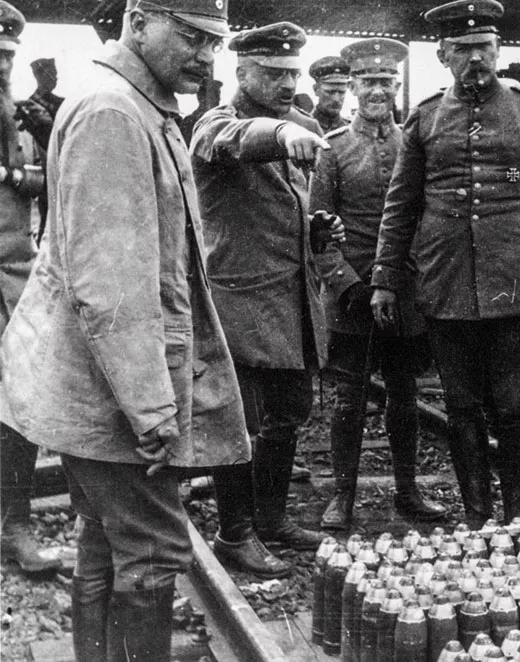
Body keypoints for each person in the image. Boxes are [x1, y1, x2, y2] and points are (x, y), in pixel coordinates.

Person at [0, 1, 251, 659]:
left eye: (215, 42)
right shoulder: (115, 112)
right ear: (139, 23)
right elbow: (109, 287)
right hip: (117, 391)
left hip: (106, 383)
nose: (207, 54)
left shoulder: (140, 104)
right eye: (191, 36)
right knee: (153, 552)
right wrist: (152, 412)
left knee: (105, 539)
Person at [371, 0, 520, 527]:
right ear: (443, 55)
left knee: (516, 407)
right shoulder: (427, 116)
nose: (476, 58)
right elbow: (402, 203)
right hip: (447, 279)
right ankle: (479, 517)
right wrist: (386, 279)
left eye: (484, 47)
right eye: (463, 50)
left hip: (514, 279)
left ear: (498, 50)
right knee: (461, 406)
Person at [191, 21, 332, 577]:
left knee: (288, 416)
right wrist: (277, 135)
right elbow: (230, 143)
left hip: (293, 297)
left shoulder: (300, 124)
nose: (286, 81)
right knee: (241, 424)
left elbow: (284, 207)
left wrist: (317, 228)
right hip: (242, 302)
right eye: (273, 73)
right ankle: (236, 533)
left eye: (292, 73)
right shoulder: (215, 123)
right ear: (241, 72)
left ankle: (271, 520)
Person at [309, 37, 445, 530]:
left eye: (386, 82)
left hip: (405, 290)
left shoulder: (417, 144)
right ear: (353, 88)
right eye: (368, 82)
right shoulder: (334, 150)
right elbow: (318, 232)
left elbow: (426, 217)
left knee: (404, 392)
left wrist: (414, 277)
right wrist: (347, 285)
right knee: (348, 397)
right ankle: (342, 495)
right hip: (352, 292)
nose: (377, 91)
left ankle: (407, 492)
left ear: (396, 87)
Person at [0, 1, 60, 577]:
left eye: (6, 56)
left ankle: (15, 524)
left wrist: (13, 175)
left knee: (16, 406)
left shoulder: (19, 114)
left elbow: (52, 178)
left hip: (14, 278)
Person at [309, 55, 350, 133]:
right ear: (316, 90)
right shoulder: (302, 127)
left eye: (342, 92)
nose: (336, 99)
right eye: (330, 92)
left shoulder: (350, 129)